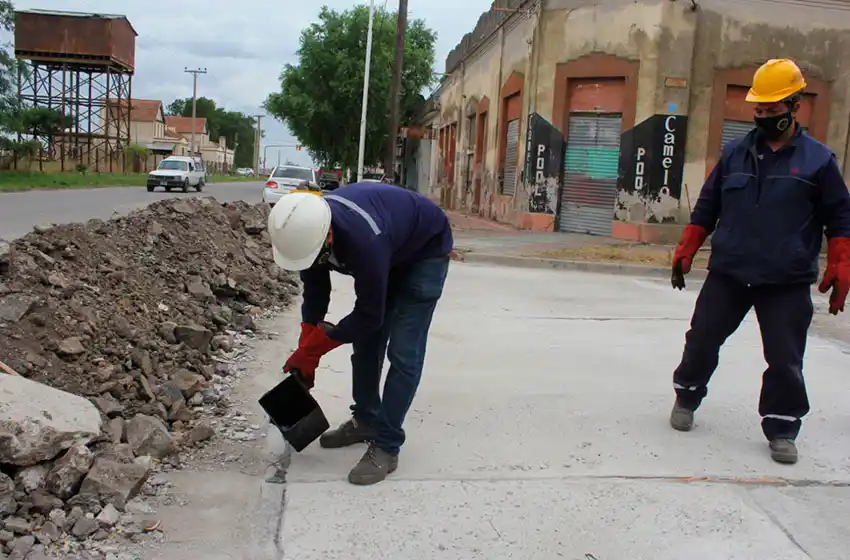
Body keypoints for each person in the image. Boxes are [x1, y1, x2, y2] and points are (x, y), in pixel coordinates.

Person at [669, 58, 850, 465]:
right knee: (702, 339)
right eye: (759, 110)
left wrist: (841, 260)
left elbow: (841, 215)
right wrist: (688, 246)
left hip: (785, 278)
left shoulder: (819, 161)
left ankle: (782, 426)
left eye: (773, 110)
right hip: (730, 272)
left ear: (794, 105)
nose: (765, 117)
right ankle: (687, 396)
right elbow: (707, 207)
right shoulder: (734, 154)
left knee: (785, 359)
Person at [267, 183, 453, 485]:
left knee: (403, 352)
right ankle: (366, 419)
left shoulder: (364, 241)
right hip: (392, 244)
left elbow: (369, 314)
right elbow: (316, 293)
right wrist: (306, 349)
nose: (311, 264)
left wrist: (318, 348)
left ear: (328, 236)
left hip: (424, 253)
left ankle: (387, 445)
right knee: (367, 342)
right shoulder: (309, 233)